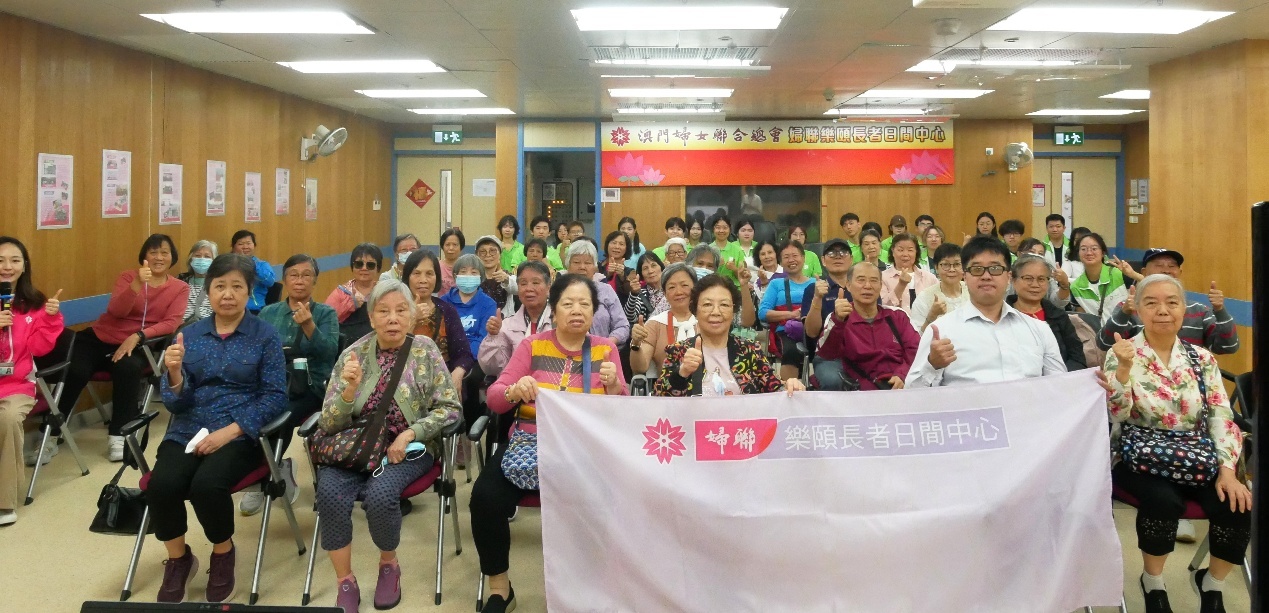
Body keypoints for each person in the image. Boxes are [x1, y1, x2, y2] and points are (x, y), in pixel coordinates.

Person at [474, 274, 628, 613]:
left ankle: (590, 585)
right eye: (568, 304)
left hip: (585, 450)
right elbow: (496, 398)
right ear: (553, 310)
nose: (577, 310)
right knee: (485, 498)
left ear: (594, 312)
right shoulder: (532, 346)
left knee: (606, 500)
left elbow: (622, 412)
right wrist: (515, 390)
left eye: (584, 304)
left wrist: (616, 387)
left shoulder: (605, 349)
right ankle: (500, 589)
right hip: (530, 444)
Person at [313, 280, 462, 613]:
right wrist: (349, 392)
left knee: (380, 496)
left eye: (400, 310)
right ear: (371, 317)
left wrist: (410, 434)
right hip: (354, 448)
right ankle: (345, 581)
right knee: (330, 493)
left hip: (406, 451)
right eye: (383, 311)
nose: (392, 318)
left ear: (411, 316)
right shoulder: (352, 355)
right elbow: (329, 423)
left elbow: (450, 409)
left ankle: (388, 565)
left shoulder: (425, 350)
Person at [1105, 274, 1250, 613]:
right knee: (1163, 501)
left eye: (1172, 302)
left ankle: (1211, 585)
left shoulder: (1202, 358)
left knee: (1236, 503)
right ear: (1138, 309)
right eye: (1151, 303)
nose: (1162, 310)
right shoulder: (1122, 353)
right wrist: (1123, 370)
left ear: (1184, 309)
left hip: (1196, 456)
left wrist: (1228, 471)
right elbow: (1116, 413)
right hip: (1138, 457)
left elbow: (1221, 416)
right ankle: (1153, 583)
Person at [148, 254, 287, 604]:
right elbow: (176, 403)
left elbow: (275, 397)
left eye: (237, 286)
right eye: (220, 286)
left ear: (249, 292)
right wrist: (175, 374)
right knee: (161, 484)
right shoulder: (189, 335)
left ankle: (222, 553)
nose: (227, 294)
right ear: (208, 291)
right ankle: (179, 559)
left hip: (239, 432)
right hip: (188, 429)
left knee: (207, 485)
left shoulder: (265, 336)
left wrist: (231, 431)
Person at [58, 234, 190, 461]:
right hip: (99, 337)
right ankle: (51, 433)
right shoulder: (128, 277)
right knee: (75, 369)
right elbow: (117, 311)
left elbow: (171, 323)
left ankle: (118, 434)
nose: (159, 257)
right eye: (153, 252)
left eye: (164, 253)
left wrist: (138, 336)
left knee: (127, 369)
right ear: (144, 256)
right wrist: (137, 284)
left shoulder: (180, 288)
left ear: (173, 257)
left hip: (139, 344)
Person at [906, 237, 1066, 388]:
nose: (986, 276)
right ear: (965, 276)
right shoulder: (940, 331)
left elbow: (1060, 387)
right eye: (977, 269)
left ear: (1008, 277)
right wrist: (932, 365)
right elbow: (912, 393)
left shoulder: (1039, 329)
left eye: (995, 269)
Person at [249, 254, 339, 516]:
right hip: (273, 383)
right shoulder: (269, 313)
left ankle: (268, 476)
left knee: (281, 414)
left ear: (314, 280)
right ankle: (267, 469)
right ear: (285, 279)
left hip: (311, 387)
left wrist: (309, 325)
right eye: (293, 275)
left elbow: (329, 352)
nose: (300, 281)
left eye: (306, 275)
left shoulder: (325, 313)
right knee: (248, 410)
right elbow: (255, 350)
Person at [654, 274, 804, 397]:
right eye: (707, 304)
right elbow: (659, 399)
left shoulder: (750, 350)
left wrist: (790, 386)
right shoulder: (679, 351)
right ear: (695, 310)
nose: (716, 312)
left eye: (724, 305)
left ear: (733, 311)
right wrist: (682, 373)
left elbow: (776, 391)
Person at [0, 237, 64, 526]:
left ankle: (4, 502)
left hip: (16, 385)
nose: (7, 266)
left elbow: (39, 348)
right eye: (0, 260)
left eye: (14, 260)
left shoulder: (35, 304)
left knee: (8, 418)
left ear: (24, 266)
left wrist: (50, 319)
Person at [1097, 248, 1238, 358]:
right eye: (1158, 265)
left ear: (1180, 272)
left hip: (1188, 379)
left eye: (1172, 266)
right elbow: (1105, 344)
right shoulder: (1130, 307)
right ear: (1144, 272)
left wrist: (1220, 310)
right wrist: (1124, 313)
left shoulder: (1199, 310)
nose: (1166, 270)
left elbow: (1228, 347)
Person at [815, 262, 920, 391]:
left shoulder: (897, 316)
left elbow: (916, 350)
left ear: (880, 285)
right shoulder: (838, 318)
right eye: (861, 280)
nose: (867, 286)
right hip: (859, 391)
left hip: (901, 386)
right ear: (848, 285)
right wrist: (838, 321)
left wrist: (902, 374)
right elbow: (826, 355)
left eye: (874, 281)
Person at [402, 250, 473, 392]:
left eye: (429, 274)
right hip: (404, 382)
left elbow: (464, 354)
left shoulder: (447, 310)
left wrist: (458, 373)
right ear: (407, 277)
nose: (423, 280)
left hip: (442, 383)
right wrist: (412, 320)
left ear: (437, 278)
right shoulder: (397, 310)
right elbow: (390, 352)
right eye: (416, 273)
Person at [1005, 255, 1087, 372]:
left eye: (1041, 279)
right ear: (1013, 280)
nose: (1035, 285)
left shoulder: (1059, 317)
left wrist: (1062, 378)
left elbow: (1077, 358)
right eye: (1028, 278)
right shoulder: (1001, 316)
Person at [479, 261, 553, 378]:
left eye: (535, 282)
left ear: (548, 286)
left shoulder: (561, 322)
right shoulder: (507, 326)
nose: (529, 288)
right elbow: (490, 368)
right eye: (523, 283)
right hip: (515, 387)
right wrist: (493, 337)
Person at [758, 241, 817, 380]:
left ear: (803, 258)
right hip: (787, 331)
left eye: (795, 255)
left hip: (814, 329)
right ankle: (789, 389)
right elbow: (763, 313)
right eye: (786, 257)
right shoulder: (776, 284)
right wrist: (792, 314)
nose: (791, 260)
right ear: (781, 262)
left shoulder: (816, 283)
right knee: (791, 351)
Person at [629, 263, 698, 377]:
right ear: (664, 294)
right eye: (671, 287)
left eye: (684, 285)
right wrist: (636, 344)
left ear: (695, 288)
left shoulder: (707, 321)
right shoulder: (655, 324)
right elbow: (640, 368)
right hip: (667, 387)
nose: (679, 292)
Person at [565, 240, 630, 345]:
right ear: (568, 266)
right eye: (576, 262)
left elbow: (622, 325)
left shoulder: (606, 290)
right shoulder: (559, 291)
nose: (582, 267)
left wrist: (607, 343)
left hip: (603, 350)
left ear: (595, 267)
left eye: (588, 263)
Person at [441, 254, 498, 359]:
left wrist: (464, 358)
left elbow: (483, 338)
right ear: (455, 276)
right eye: (463, 272)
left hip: (475, 358)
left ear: (481, 277)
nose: (468, 276)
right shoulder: (444, 301)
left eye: (474, 272)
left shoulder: (489, 304)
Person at [324, 243, 382, 343]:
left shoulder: (384, 292)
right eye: (359, 264)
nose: (364, 268)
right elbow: (325, 321)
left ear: (378, 268)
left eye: (370, 265)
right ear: (352, 266)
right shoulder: (341, 292)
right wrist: (350, 305)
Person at [802, 237, 854, 343]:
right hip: (827, 348)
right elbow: (811, 333)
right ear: (823, 260)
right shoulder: (812, 290)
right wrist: (817, 298)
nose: (838, 256)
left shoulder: (861, 288)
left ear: (851, 259)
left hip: (859, 347)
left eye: (843, 252)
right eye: (831, 253)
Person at [910, 244, 970, 333]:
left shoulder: (973, 291)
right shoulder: (925, 297)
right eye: (945, 264)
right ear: (936, 267)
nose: (952, 269)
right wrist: (931, 317)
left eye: (957, 264)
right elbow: (916, 336)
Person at [1070, 232, 1128, 325]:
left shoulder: (1118, 273)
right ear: (1078, 254)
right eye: (1083, 249)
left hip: (1127, 331)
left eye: (1094, 249)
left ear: (1103, 253)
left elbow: (1147, 285)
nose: (1089, 253)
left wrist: (1132, 274)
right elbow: (1083, 322)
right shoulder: (1075, 287)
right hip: (1098, 333)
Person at [881, 233, 937, 313]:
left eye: (910, 250)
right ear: (893, 251)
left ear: (916, 252)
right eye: (900, 250)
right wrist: (901, 285)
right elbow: (883, 308)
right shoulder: (882, 277)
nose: (905, 254)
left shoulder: (929, 278)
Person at [230, 230, 275, 313]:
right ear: (233, 247)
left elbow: (270, 282)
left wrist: (252, 265)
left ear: (254, 245)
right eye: (240, 244)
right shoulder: (227, 265)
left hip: (255, 310)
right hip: (231, 308)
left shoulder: (261, 264)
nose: (245, 247)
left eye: (248, 243)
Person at [177, 240, 217, 325]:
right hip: (183, 328)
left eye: (207, 256)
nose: (202, 259)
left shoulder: (218, 284)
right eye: (198, 256)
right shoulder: (181, 281)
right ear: (191, 259)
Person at [625, 252, 669, 325]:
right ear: (641, 274)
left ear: (661, 267)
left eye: (653, 265)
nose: (650, 271)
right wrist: (633, 294)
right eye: (645, 268)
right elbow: (630, 317)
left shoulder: (672, 289)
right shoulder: (641, 294)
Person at [473, 236, 513, 312]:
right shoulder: (472, 277)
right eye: (482, 251)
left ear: (500, 254)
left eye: (492, 251)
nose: (488, 255)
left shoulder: (507, 276)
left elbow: (517, 288)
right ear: (476, 255)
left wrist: (506, 279)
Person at [707, 213, 746, 289]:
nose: (721, 231)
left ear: (730, 229)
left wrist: (734, 268)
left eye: (725, 228)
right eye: (718, 228)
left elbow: (743, 277)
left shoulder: (737, 250)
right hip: (711, 288)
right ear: (713, 230)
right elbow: (703, 275)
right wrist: (716, 266)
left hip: (734, 290)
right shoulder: (707, 249)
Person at [600, 230, 632, 299]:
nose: (617, 247)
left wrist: (622, 277)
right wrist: (608, 275)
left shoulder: (630, 272)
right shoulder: (598, 267)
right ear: (607, 245)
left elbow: (631, 295)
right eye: (614, 243)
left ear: (626, 248)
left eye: (621, 244)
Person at [438, 228, 465, 295]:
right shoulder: (437, 266)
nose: (451, 248)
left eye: (455, 245)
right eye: (447, 245)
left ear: (461, 247)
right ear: (442, 246)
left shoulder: (467, 267)